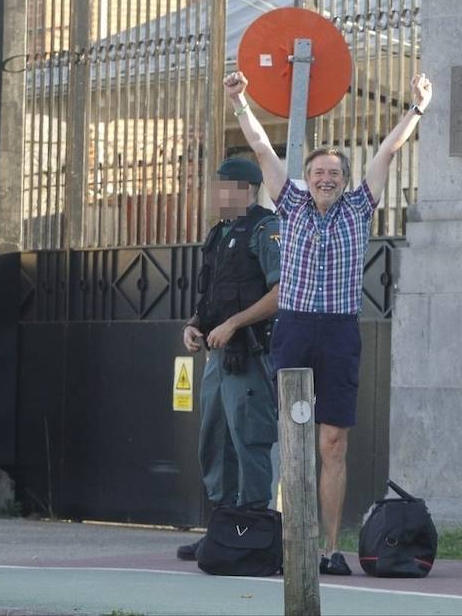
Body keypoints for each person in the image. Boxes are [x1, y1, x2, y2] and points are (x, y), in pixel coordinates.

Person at [223, 70, 433, 575]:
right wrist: (240, 103)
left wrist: (419, 108)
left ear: (344, 180)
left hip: (339, 332)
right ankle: (291, 540)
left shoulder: (359, 207)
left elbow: (387, 152)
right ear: (306, 179)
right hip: (294, 327)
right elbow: (260, 146)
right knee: (291, 436)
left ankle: (328, 549)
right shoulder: (290, 204)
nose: (325, 179)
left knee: (332, 442)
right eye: (318, 172)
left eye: (334, 174)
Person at [176, 157, 281, 561]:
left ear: (247, 189)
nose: (217, 194)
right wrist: (195, 324)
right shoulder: (219, 233)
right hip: (217, 356)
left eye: (225, 187)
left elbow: (280, 293)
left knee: (249, 438)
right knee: (215, 441)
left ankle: (251, 528)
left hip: (250, 354)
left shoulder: (266, 229)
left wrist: (235, 324)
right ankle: (222, 530)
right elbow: (215, 293)